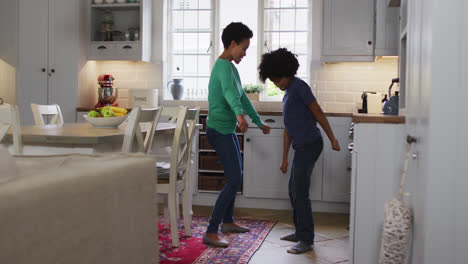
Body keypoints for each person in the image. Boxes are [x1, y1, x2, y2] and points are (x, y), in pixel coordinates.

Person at [258, 48, 341, 254]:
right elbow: (288, 129)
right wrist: (284, 159)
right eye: (273, 81)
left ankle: (306, 239)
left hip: (311, 145)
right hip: (301, 146)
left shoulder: (300, 87)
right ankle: (300, 231)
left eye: (278, 80)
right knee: (293, 190)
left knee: (299, 191)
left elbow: (318, 112)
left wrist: (332, 138)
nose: (277, 84)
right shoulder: (287, 95)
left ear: (287, 72)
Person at [203, 22, 271, 248]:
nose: (245, 53)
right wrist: (240, 117)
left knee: (235, 176)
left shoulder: (231, 68)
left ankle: (228, 222)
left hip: (225, 129)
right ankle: (211, 231)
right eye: (243, 48)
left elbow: (241, 98)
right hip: (218, 130)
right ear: (232, 44)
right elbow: (230, 95)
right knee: (234, 179)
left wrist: (259, 122)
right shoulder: (222, 67)